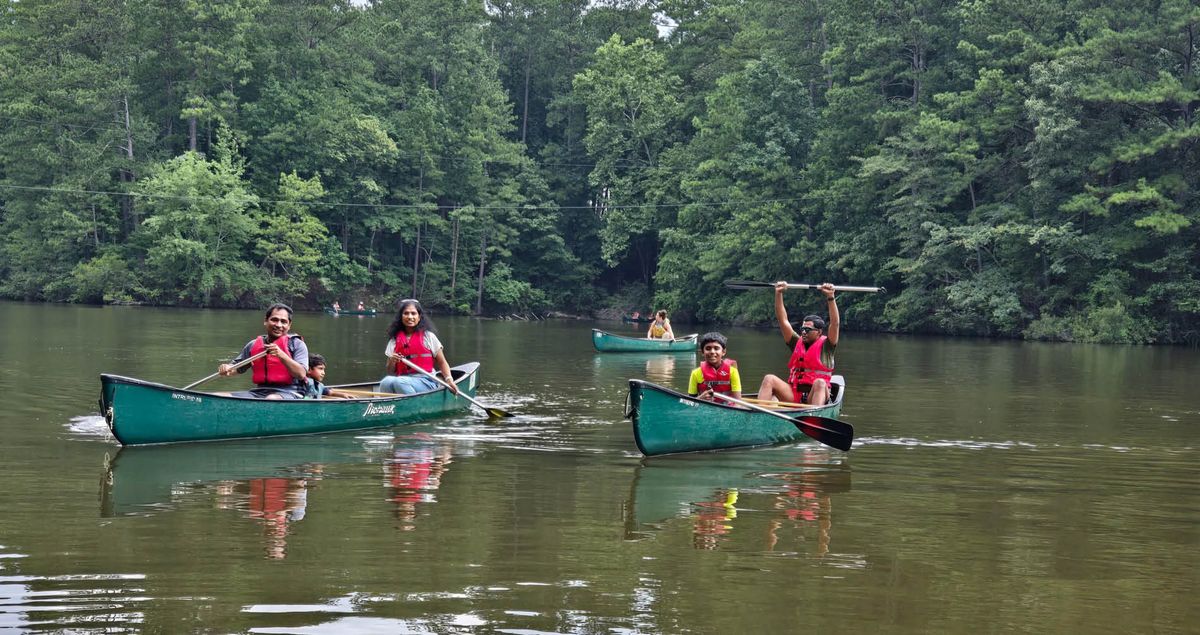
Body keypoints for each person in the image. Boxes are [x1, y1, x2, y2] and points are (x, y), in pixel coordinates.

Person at [757, 281, 839, 405]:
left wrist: (830, 297)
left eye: (808, 330)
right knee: (769, 379)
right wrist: (778, 293)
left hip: (816, 395)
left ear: (819, 332)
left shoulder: (828, 345)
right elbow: (782, 320)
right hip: (794, 393)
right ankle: (759, 415)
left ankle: (813, 416)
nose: (804, 332)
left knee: (820, 383)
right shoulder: (796, 342)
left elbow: (835, 323)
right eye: (802, 329)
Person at [218, 303, 309, 399]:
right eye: (274, 320)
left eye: (283, 322)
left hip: (291, 392)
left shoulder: (297, 344)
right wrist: (227, 368)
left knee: (271, 398)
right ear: (266, 321)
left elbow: (301, 374)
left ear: (289, 325)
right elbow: (236, 368)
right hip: (259, 392)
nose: (278, 325)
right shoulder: (253, 345)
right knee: (219, 396)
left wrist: (281, 355)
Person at [380, 299, 459, 395]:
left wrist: (449, 380)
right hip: (403, 379)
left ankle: (413, 406)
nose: (410, 317)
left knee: (399, 382)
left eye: (413, 313)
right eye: (406, 313)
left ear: (419, 317)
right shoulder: (394, 340)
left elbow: (442, 362)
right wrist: (392, 361)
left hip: (427, 380)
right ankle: (389, 406)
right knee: (385, 382)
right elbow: (390, 371)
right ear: (401, 317)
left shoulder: (428, 336)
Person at [688, 332, 742, 401]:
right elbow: (689, 403)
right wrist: (700, 399)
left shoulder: (733, 371)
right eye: (708, 348)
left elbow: (738, 401)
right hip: (704, 408)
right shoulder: (695, 373)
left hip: (727, 408)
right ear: (702, 352)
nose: (712, 352)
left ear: (723, 352)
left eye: (716, 348)